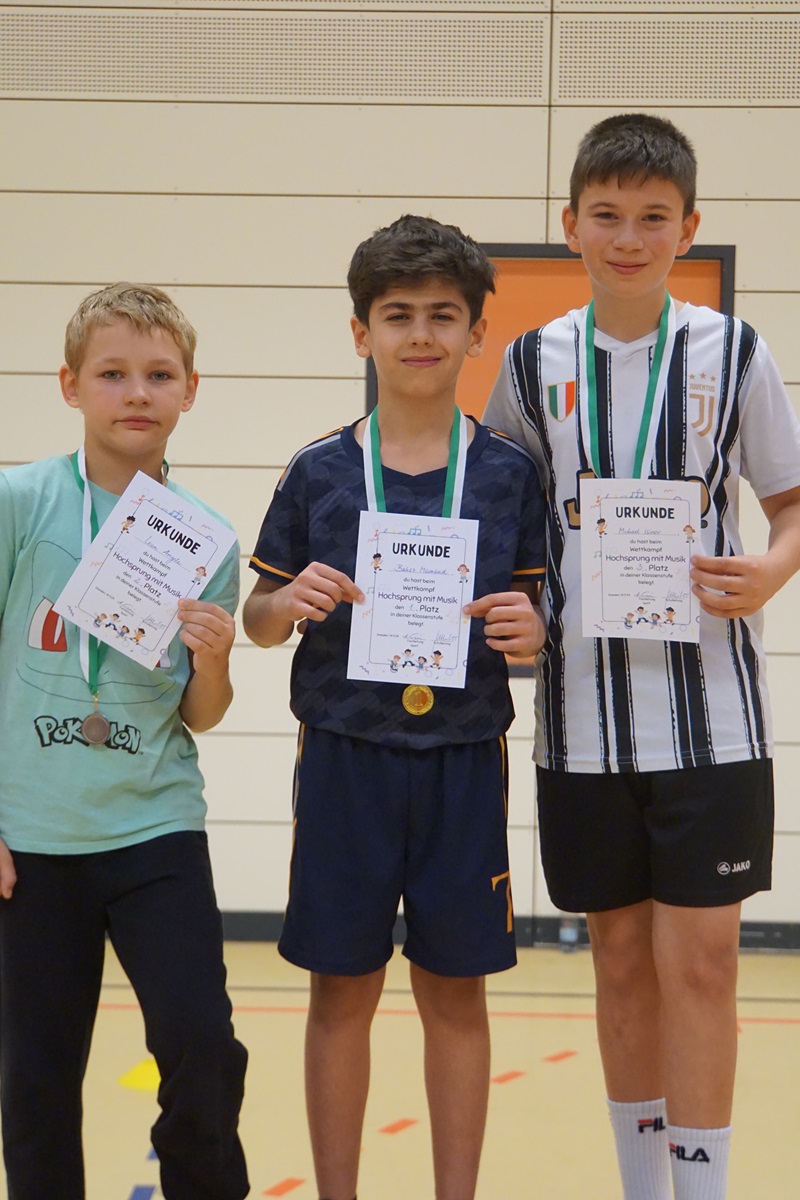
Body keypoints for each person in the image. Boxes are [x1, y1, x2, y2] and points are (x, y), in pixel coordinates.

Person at [484, 113, 800, 1200]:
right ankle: (641, 1189)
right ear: (570, 223)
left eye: (652, 218)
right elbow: (505, 524)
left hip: (714, 718)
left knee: (701, 966)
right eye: (607, 215)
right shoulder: (529, 363)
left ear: (688, 229)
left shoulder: (737, 351)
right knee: (619, 964)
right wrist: (525, 611)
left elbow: (791, 504)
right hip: (580, 722)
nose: (628, 237)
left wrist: (769, 573)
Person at [243, 214, 547, 1200]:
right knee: (341, 990)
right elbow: (256, 618)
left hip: (463, 761)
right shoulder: (317, 469)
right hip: (344, 758)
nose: (421, 334)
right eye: (398, 314)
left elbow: (536, 618)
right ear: (360, 331)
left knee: (456, 993)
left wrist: (533, 632)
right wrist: (283, 603)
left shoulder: (509, 473)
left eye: (442, 315)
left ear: (475, 333)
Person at [0, 283, 249, 1200]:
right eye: (112, 374)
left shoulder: (206, 537)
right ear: (71, 386)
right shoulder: (19, 501)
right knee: (35, 1076)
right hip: (33, 840)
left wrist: (215, 660)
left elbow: (200, 713)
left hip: (155, 829)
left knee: (201, 1044)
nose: (136, 393)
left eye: (159, 375)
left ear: (191, 389)